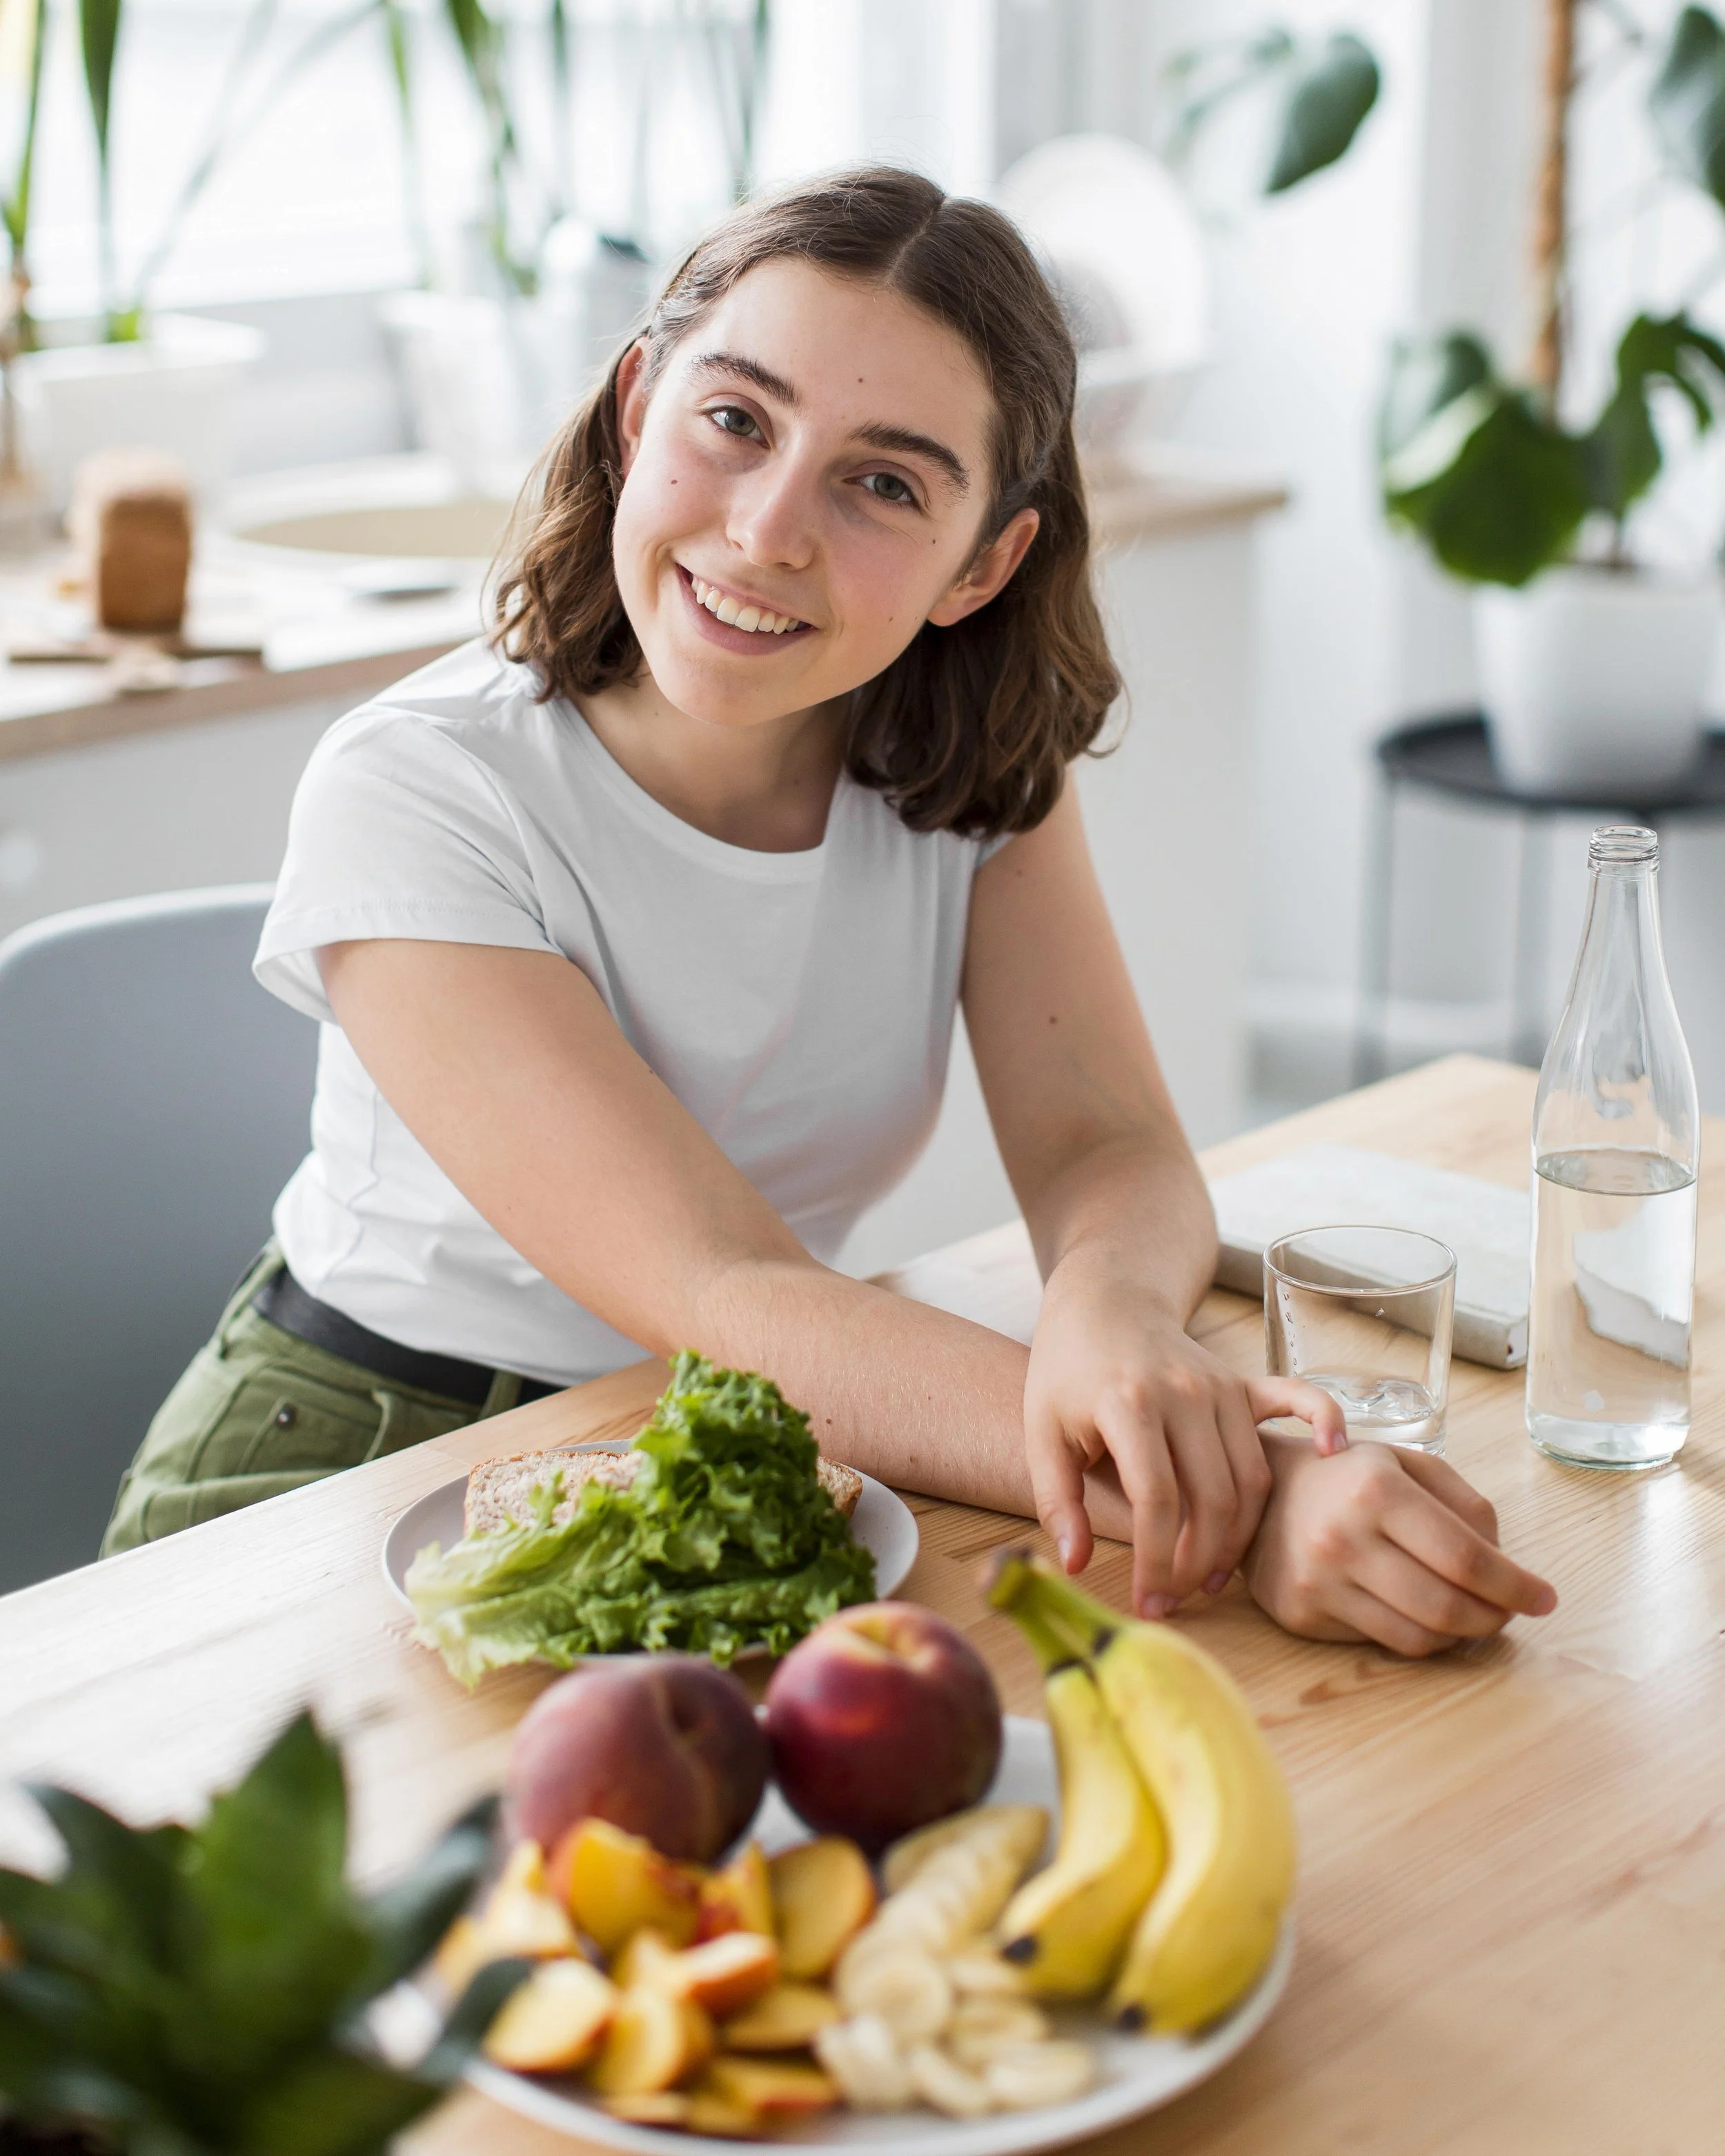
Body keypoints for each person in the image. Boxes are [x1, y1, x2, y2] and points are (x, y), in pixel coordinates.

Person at [104, 168, 1555, 1658]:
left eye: (883, 482)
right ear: (633, 409)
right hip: (353, 1469)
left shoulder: (970, 777)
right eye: (734, 419)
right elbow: (725, 1287)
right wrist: (1245, 1500)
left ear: (980, 563)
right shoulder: (415, 787)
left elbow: (1102, 1141)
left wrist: (1112, 1314)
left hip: (724, 1447)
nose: (766, 528)